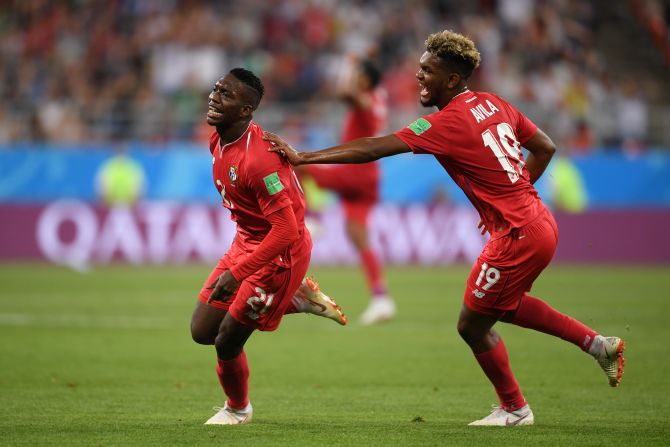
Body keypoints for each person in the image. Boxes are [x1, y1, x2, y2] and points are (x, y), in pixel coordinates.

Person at [264, 30, 625, 427]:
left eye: (427, 70)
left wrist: (305, 157)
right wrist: (509, 192)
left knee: (472, 324)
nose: (418, 77)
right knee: (503, 307)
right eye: (420, 68)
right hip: (538, 221)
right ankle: (596, 345)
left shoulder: (447, 122)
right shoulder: (494, 103)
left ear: (452, 80)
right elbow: (545, 147)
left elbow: (375, 148)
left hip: (519, 233)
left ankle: (516, 408)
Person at [190, 68, 348, 426]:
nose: (214, 97)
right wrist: (239, 262)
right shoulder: (218, 139)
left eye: (226, 95)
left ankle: (238, 408)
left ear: (246, 111)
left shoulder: (259, 160)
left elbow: (287, 230)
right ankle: (295, 299)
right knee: (202, 331)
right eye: (216, 89)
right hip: (247, 242)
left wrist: (239, 272)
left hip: (281, 253)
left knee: (227, 340)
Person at [303, 58, 395, 325]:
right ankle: (381, 298)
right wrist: (361, 64)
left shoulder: (366, 100)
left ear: (365, 81)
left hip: (353, 173)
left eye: (359, 76)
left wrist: (347, 67)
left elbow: (347, 95)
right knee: (358, 235)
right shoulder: (380, 98)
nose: (355, 79)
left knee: (297, 161)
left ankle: (313, 218)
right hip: (369, 178)